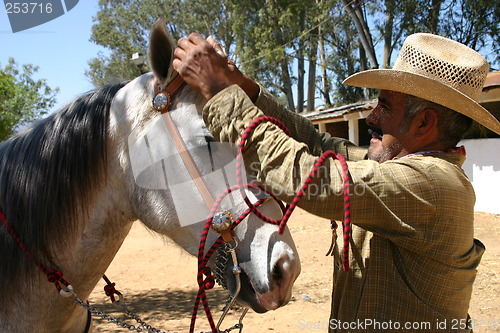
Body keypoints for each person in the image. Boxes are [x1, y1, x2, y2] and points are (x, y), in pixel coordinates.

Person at [173, 32, 500, 332]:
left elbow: (307, 176)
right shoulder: (401, 168)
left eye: (384, 106)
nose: (371, 117)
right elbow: (319, 146)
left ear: (424, 122)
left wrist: (219, 90)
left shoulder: (434, 183)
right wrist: (244, 87)